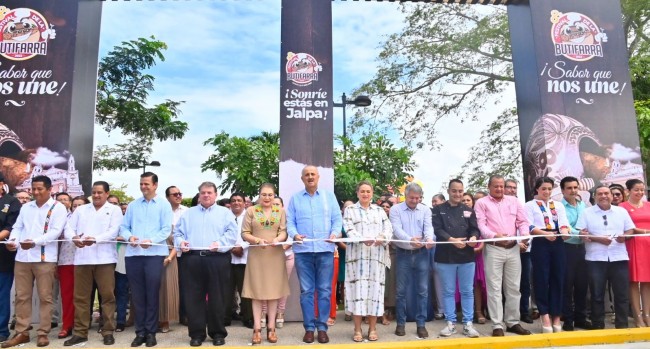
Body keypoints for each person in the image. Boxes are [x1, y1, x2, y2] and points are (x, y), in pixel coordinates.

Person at [3, 175, 68, 348]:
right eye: (34, 189)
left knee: (45, 297)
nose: (36, 192)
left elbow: (55, 232)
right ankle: (22, 332)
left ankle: (43, 333)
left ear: (49, 189)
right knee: (22, 296)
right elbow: (18, 227)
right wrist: (13, 241)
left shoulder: (58, 208)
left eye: (40, 189)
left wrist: (34, 242)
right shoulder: (27, 207)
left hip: (44, 258)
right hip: (23, 258)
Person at [174, 182, 238, 347]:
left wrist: (220, 243)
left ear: (215, 195)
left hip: (217, 259)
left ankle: (218, 333)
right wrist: (181, 242)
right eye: (203, 193)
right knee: (193, 298)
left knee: (218, 297)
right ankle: (196, 334)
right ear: (199, 195)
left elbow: (232, 234)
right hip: (192, 259)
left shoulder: (225, 213)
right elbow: (178, 233)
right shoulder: (188, 213)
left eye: (209, 192)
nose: (206, 195)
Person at [286, 165, 342, 344]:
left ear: (318, 177)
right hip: (303, 252)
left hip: (325, 251)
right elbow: (290, 222)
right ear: (302, 179)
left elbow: (337, 220)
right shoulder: (295, 199)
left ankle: (322, 328)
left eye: (313, 174)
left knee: (325, 291)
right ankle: (309, 328)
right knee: (307, 292)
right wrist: (294, 234)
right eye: (306, 175)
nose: (310, 177)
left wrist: (335, 234)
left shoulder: (329, 196)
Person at [62, 181, 123, 346]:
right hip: (82, 258)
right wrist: (73, 238)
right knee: (81, 297)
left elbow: (114, 231)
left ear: (107, 194)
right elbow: (68, 228)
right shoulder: (82, 210)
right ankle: (80, 332)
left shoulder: (115, 210)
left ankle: (108, 330)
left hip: (105, 260)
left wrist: (95, 239)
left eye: (100, 192)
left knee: (107, 296)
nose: (96, 195)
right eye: (94, 192)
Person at [119, 172, 173, 347]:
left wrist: (152, 241)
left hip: (154, 255)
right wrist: (130, 238)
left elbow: (166, 230)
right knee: (137, 295)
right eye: (141, 183)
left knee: (152, 294)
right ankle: (139, 332)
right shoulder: (133, 205)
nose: (143, 187)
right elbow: (124, 227)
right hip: (134, 255)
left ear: (155, 185)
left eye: (147, 184)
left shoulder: (164, 205)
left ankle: (151, 332)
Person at [474, 175, 531, 337]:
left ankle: (513, 322)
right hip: (493, 248)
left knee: (514, 287)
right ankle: (497, 325)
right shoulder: (481, 203)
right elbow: (481, 225)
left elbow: (522, 222)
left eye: (501, 186)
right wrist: (494, 236)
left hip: (513, 248)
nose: (499, 189)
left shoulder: (514, 201)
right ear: (489, 186)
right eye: (496, 186)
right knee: (494, 288)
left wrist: (524, 235)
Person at [577, 184, 634, 329]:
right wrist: (598, 239)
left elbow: (630, 230)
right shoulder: (586, 212)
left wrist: (624, 237)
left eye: (606, 193)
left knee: (621, 294)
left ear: (611, 195)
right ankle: (598, 326)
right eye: (600, 194)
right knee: (596, 294)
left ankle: (622, 325)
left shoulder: (621, 211)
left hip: (619, 257)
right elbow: (581, 233)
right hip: (595, 259)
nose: (604, 196)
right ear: (595, 197)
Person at [342, 181, 392, 342]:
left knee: (374, 293)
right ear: (357, 193)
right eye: (362, 191)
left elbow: (388, 229)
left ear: (372, 194)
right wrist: (363, 239)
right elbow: (348, 228)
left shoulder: (379, 211)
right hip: (357, 258)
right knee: (358, 291)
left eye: (368, 191)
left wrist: (381, 238)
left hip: (376, 258)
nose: (365, 194)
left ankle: (372, 328)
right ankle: (357, 329)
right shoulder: (350, 210)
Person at [241, 183, 289, 345]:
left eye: (270, 195)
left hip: (275, 254)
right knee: (257, 293)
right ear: (259, 195)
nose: (267, 198)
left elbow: (284, 231)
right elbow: (244, 233)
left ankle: (272, 328)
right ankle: (256, 329)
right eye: (264, 194)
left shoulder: (280, 211)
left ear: (274, 196)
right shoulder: (251, 211)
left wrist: (277, 239)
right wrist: (256, 240)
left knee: (274, 293)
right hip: (256, 255)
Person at [433, 179, 480, 338]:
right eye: (454, 191)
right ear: (448, 191)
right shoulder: (438, 210)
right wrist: (452, 240)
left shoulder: (468, 210)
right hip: (445, 256)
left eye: (460, 191)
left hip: (466, 256)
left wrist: (473, 237)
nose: (458, 194)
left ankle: (468, 323)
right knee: (448, 291)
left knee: (467, 291)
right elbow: (438, 230)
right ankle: (450, 323)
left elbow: (475, 229)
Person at [390, 182, 434, 339]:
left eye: (418, 198)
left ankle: (421, 325)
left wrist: (429, 239)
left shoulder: (425, 209)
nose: (415, 201)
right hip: (403, 253)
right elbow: (396, 229)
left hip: (422, 253)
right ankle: (400, 324)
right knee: (401, 291)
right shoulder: (396, 210)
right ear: (405, 196)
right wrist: (410, 239)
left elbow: (428, 227)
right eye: (412, 198)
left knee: (423, 290)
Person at [525, 177, 570, 333]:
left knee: (558, 278)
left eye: (550, 189)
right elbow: (529, 225)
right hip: (540, 241)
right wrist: (544, 234)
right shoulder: (529, 205)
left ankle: (556, 315)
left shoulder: (558, 205)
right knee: (542, 279)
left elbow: (564, 223)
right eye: (543, 188)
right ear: (537, 189)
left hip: (557, 241)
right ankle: (544, 314)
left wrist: (565, 231)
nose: (547, 192)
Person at [560, 176, 592, 331]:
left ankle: (581, 318)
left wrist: (586, 232)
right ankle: (568, 319)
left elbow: (588, 224)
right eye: (569, 188)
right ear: (562, 190)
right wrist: (579, 232)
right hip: (566, 248)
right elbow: (564, 226)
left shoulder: (583, 206)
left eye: (575, 187)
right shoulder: (559, 207)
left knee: (582, 285)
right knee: (567, 285)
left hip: (583, 249)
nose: (573, 191)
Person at [619, 179, 650, 328]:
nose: (640, 193)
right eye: (636, 190)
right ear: (628, 191)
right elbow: (625, 226)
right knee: (633, 281)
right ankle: (637, 316)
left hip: (648, 245)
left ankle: (647, 315)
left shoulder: (649, 205)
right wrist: (644, 231)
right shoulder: (622, 207)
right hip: (632, 244)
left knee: (647, 282)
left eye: (642, 190)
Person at [158, 187, 185, 332]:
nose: (178, 196)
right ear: (167, 197)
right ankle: (154, 319)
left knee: (170, 289)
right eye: (175, 194)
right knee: (156, 289)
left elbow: (179, 239)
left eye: (180, 194)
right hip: (156, 254)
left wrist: (169, 257)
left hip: (176, 256)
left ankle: (168, 320)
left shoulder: (186, 212)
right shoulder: (161, 212)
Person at [225, 193, 253, 329]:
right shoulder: (224, 216)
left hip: (245, 257)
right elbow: (220, 234)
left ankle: (248, 317)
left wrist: (241, 246)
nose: (236, 203)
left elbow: (253, 234)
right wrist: (231, 248)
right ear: (230, 203)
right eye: (234, 200)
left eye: (239, 200)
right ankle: (226, 316)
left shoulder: (249, 215)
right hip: (227, 258)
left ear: (244, 203)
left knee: (246, 290)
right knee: (226, 289)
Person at [0, 174, 21, 343]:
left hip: (3, 255)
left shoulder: (12, 202)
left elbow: (11, 227)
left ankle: (1, 330)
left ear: (2, 184)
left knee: (1, 293)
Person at [54, 192, 74, 340]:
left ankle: (80, 324)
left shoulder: (77, 216)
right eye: (59, 200)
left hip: (82, 259)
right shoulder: (52, 217)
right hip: (63, 260)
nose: (62, 202)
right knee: (66, 295)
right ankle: (66, 325)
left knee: (81, 297)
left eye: (65, 200)